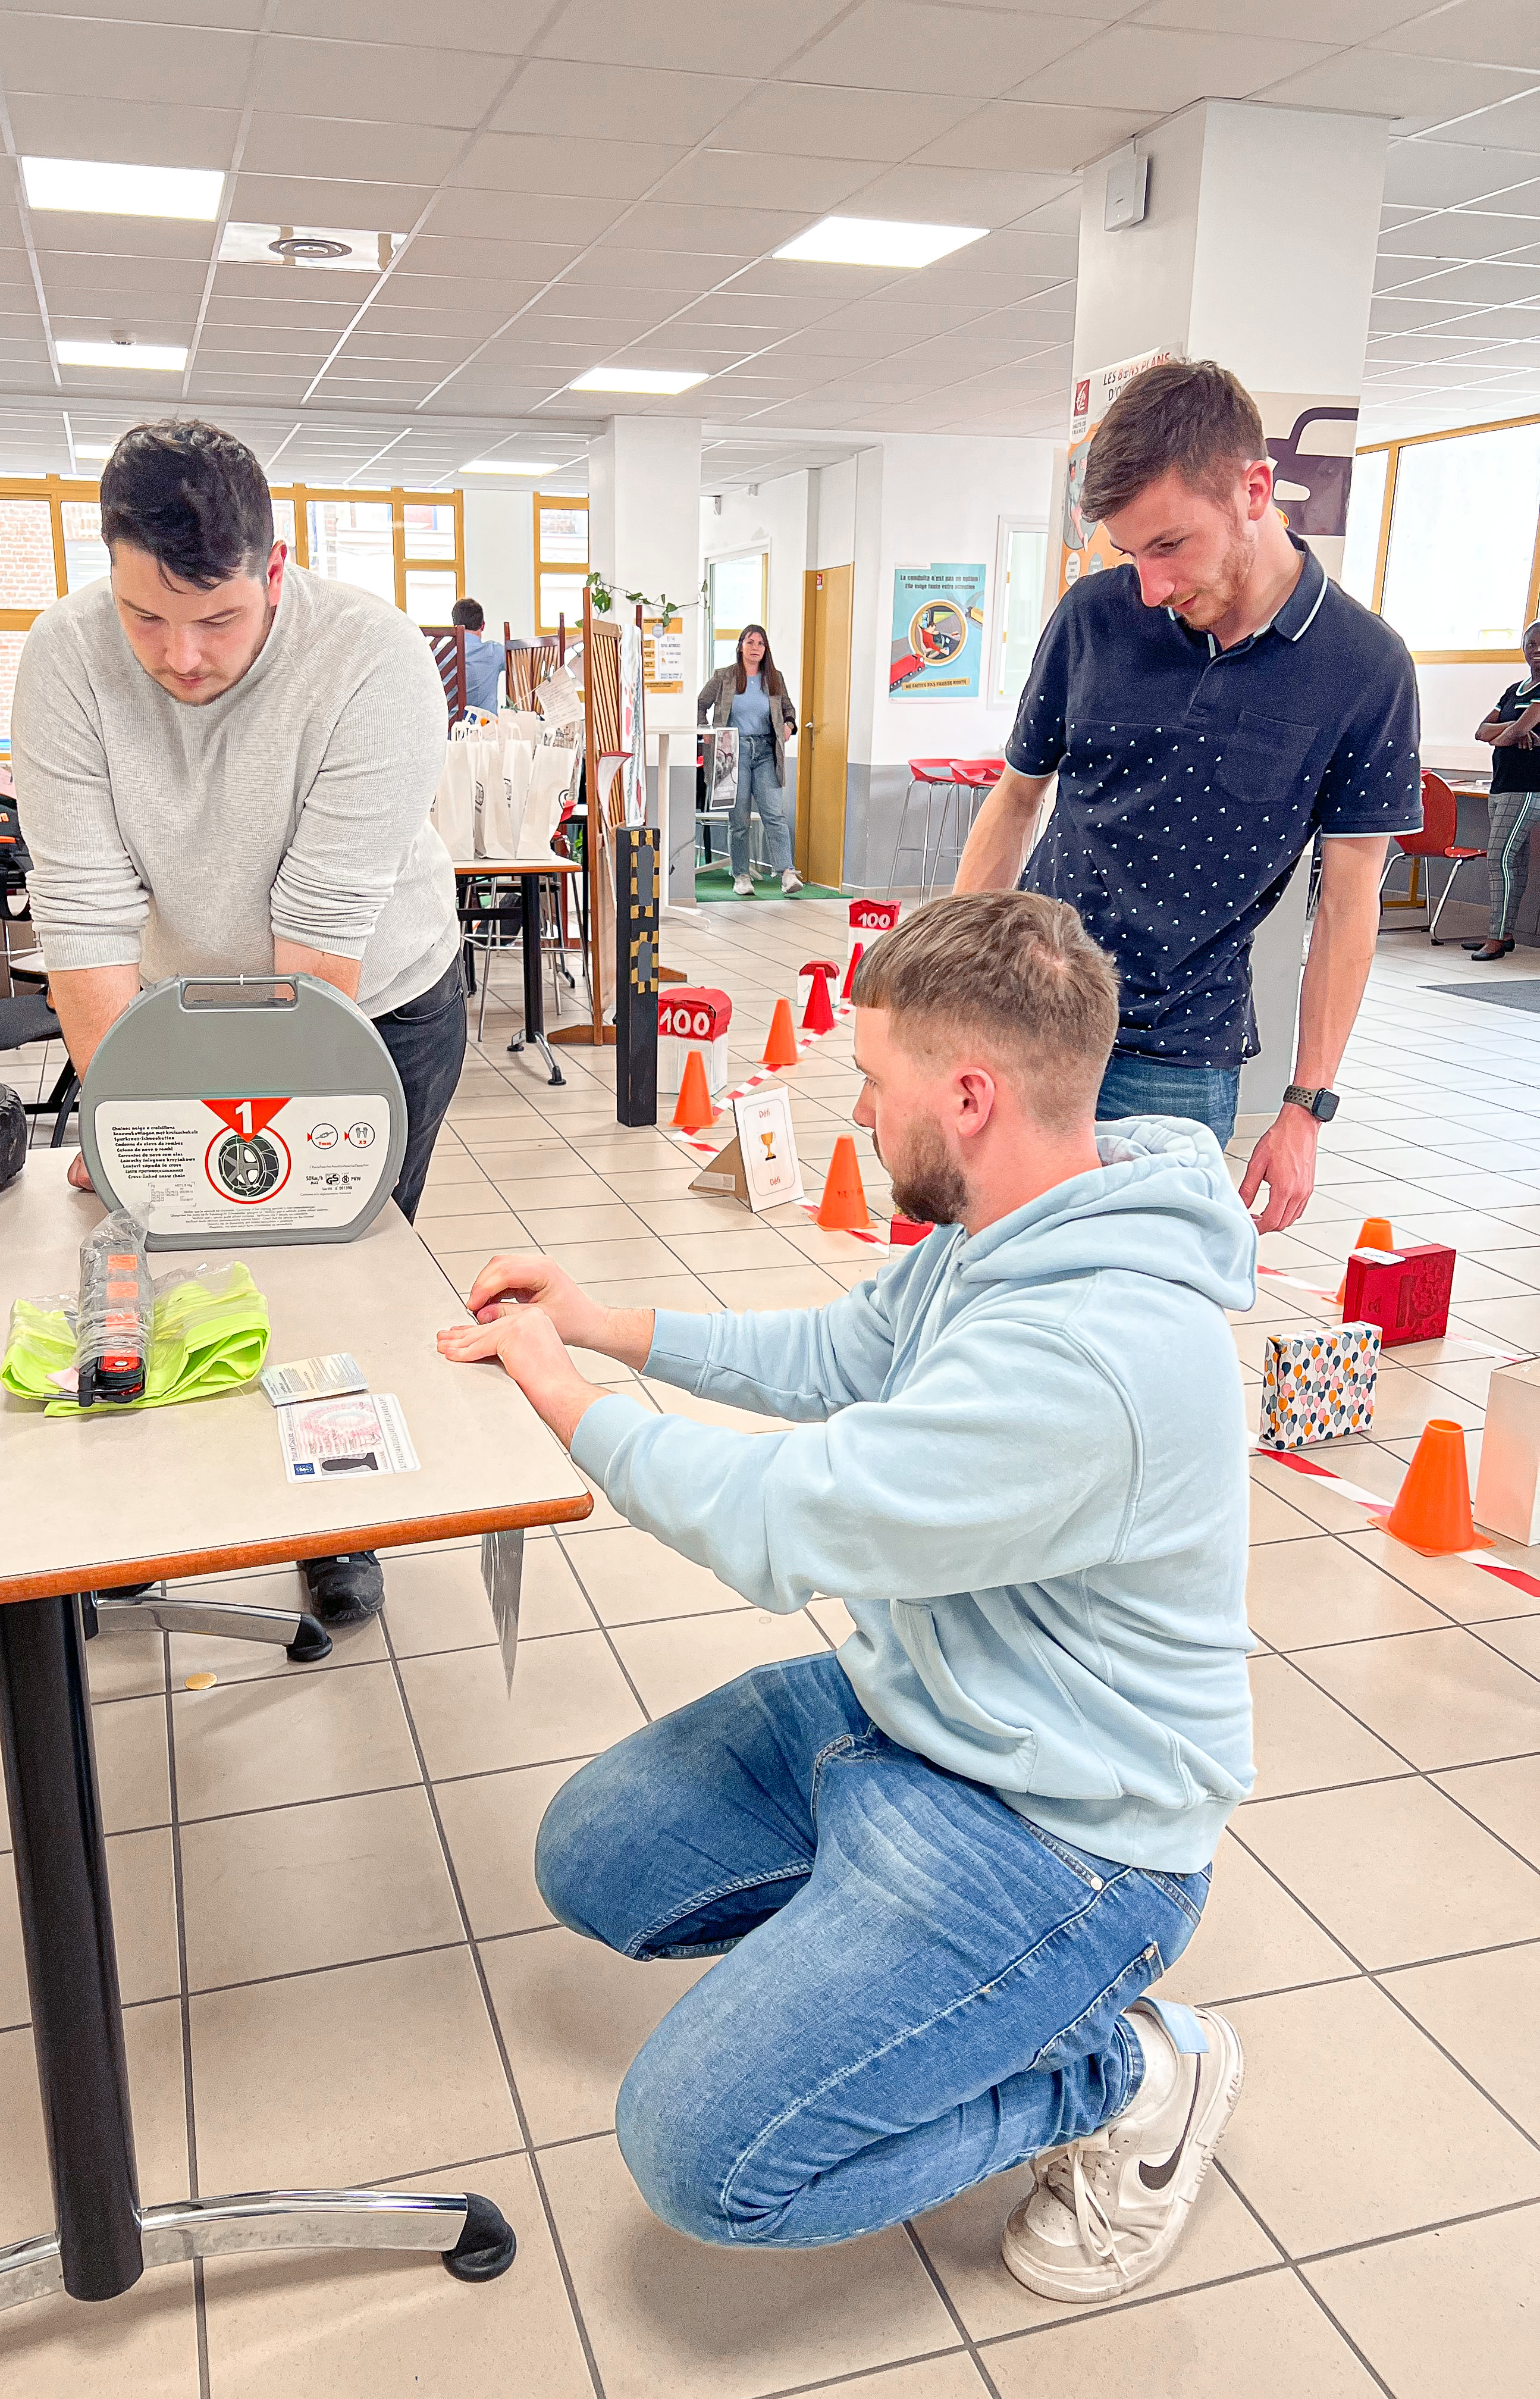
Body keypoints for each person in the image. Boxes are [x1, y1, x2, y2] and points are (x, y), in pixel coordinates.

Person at [438, 890, 1256, 2297]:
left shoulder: (1089, 1357)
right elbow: (834, 1355)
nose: (861, 1114)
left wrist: (560, 1395)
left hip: (1062, 1830)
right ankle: (922, 1989)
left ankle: (1123, 2079)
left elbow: (780, 1520)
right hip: (918, 1709)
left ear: (973, 1095)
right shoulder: (1011, 1221)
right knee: (598, 1854)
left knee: (707, 2159)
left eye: (874, 1086)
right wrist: (594, 1319)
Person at [13, 418, 464, 1629]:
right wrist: (131, 1137)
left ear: (276, 570)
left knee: (328, 1265)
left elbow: (311, 971)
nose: (181, 656)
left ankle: (333, 1523)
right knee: (160, 1246)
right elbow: (86, 918)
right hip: (169, 1004)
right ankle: (159, 1510)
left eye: (215, 619)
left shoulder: (371, 660)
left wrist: (220, 1154)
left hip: (369, 1005)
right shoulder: (64, 657)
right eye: (145, 617)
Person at [954, 359, 1422, 1233]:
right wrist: (940, 997)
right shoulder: (1093, 616)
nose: (1151, 586)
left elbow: (1351, 900)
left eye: (1169, 546)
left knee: (1140, 1314)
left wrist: (1306, 1107)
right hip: (1026, 1021)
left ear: (1256, 490)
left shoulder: (1365, 668)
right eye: (1132, 554)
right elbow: (1017, 801)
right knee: (989, 1285)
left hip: (1179, 1056)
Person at [697, 624, 802, 897]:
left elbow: (788, 709)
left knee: (774, 815)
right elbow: (700, 704)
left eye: (761, 644)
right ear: (741, 646)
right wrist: (706, 732)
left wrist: (790, 724)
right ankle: (741, 875)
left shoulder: (774, 678)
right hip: (733, 752)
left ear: (766, 649)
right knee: (740, 819)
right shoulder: (725, 677)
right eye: (750, 642)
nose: (756, 648)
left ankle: (787, 873)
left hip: (767, 750)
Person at [1469, 616, 1540, 962]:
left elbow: (1503, 735)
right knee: (1515, 860)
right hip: (1502, 784)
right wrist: (1516, 728)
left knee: (1499, 857)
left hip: (1530, 788)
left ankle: (1497, 936)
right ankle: (1504, 932)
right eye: (1532, 644)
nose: (1537, 651)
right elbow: (1482, 732)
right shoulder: (1515, 691)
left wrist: (1508, 733)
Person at [453, 598, 506, 713]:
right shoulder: (495, 652)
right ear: (482, 626)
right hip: (485, 727)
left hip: (449, 728)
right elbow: (521, 665)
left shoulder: (439, 655)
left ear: (454, 626)